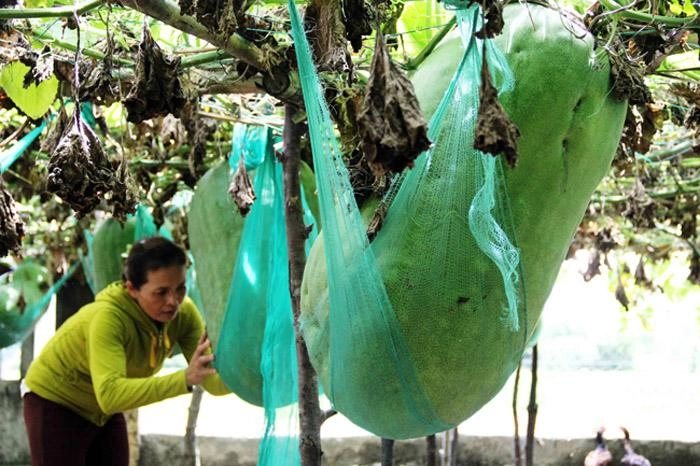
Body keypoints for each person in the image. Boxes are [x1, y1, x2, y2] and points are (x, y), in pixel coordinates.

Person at [22, 236, 230, 466]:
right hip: (55, 401)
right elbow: (111, 395)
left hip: (102, 410)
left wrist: (261, 377)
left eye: (180, 288)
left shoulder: (184, 314)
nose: (174, 301)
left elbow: (213, 380)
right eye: (161, 292)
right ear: (131, 288)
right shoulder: (108, 318)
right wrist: (184, 379)